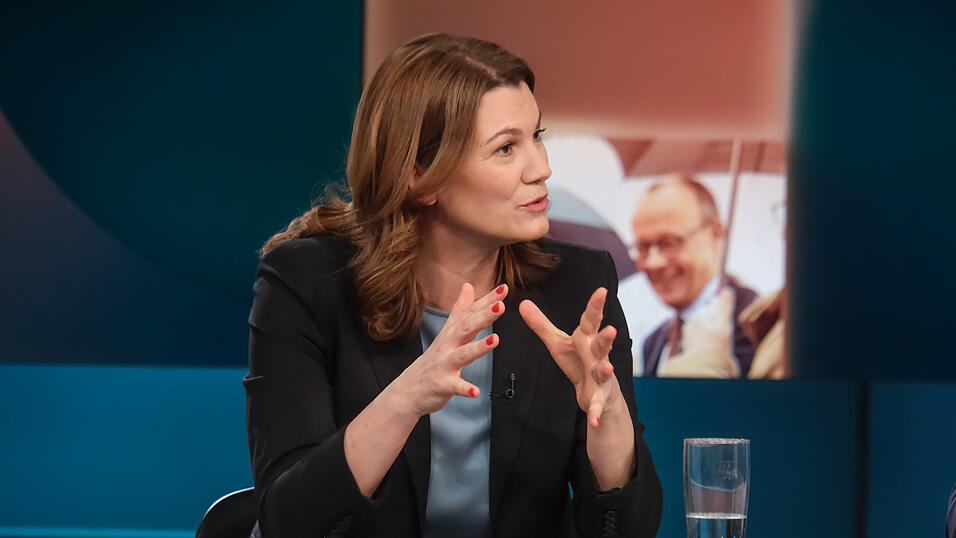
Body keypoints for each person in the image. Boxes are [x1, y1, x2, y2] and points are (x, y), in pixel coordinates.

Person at [244, 33, 662, 538]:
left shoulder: (578, 286)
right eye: (506, 148)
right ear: (420, 176)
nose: (542, 168)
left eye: (537, 136)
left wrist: (610, 420)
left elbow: (626, 530)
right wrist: (406, 398)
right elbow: (288, 522)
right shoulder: (308, 282)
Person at [630, 174, 757, 378]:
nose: (654, 263)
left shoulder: (755, 326)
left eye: (669, 243)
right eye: (643, 247)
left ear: (716, 234)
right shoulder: (653, 343)